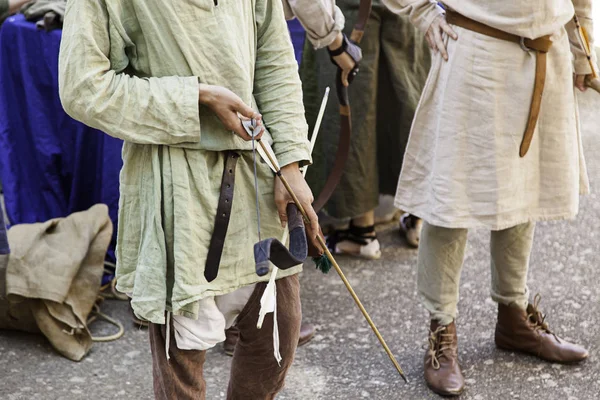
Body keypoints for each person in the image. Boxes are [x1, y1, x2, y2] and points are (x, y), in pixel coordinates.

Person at [59, 1, 321, 399]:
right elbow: (83, 87)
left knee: (277, 339)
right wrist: (193, 98)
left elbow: (273, 56)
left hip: (256, 172)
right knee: (181, 366)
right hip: (175, 185)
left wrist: (290, 162)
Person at [384, 0, 593, 396]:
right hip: (475, 50)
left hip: (545, 53)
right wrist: (424, 12)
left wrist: (584, 48)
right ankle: (441, 329)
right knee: (451, 198)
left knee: (524, 187)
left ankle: (513, 319)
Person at [223, 0, 363, 357]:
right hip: (233, 61)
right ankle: (239, 314)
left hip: (245, 48)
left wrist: (289, 163)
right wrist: (335, 40)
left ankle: (239, 313)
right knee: (241, 184)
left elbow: (276, 62)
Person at [301, 0, 432, 257]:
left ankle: (362, 231)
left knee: (356, 108)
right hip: (408, 6)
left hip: (350, 10)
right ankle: (419, 218)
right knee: (405, 97)